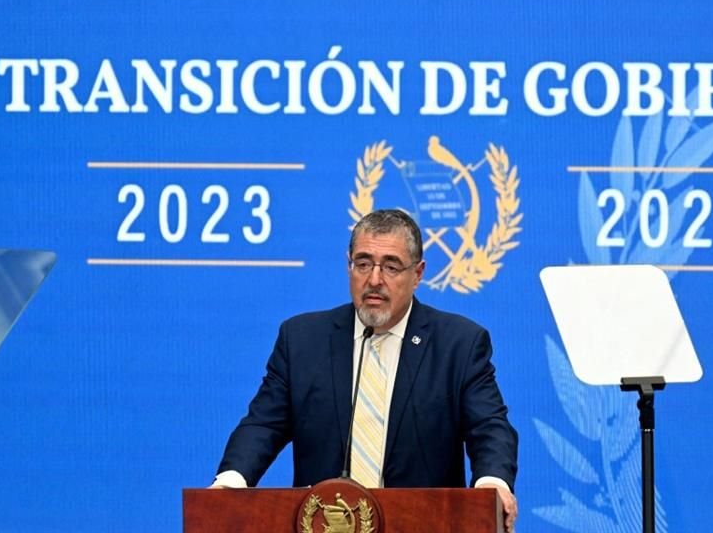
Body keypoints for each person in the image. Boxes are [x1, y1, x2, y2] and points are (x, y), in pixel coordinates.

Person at [212, 209, 519, 531]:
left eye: (390, 266)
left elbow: (489, 426)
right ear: (349, 266)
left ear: (418, 274)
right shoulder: (303, 340)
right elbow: (263, 424)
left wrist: (492, 482)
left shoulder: (459, 344)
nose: (374, 279)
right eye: (363, 264)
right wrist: (231, 482)